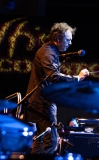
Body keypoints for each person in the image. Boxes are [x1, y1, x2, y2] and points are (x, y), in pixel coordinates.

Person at [25, 22, 89, 156]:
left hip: (38, 102)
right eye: (68, 40)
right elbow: (54, 77)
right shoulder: (48, 52)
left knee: (40, 140)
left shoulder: (49, 51)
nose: (70, 43)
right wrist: (77, 78)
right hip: (42, 104)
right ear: (57, 38)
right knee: (51, 141)